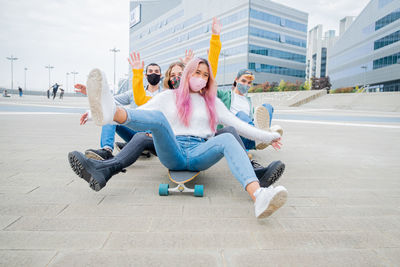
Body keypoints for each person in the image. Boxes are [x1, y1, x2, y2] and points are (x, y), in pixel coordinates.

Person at [75, 63, 164, 160]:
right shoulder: (134, 93)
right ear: (145, 75)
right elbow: (110, 101)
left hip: (156, 136)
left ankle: (137, 148)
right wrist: (91, 93)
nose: (153, 74)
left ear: (161, 75)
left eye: (156, 71)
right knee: (111, 115)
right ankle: (106, 150)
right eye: (150, 71)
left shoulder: (165, 94)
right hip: (136, 133)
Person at [217, 69, 283, 150]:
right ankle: (263, 136)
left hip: (250, 136)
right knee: (241, 114)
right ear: (236, 80)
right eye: (243, 81)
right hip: (235, 136)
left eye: (249, 83)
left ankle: (263, 135)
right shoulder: (225, 95)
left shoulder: (248, 102)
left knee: (267, 106)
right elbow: (209, 89)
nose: (246, 85)